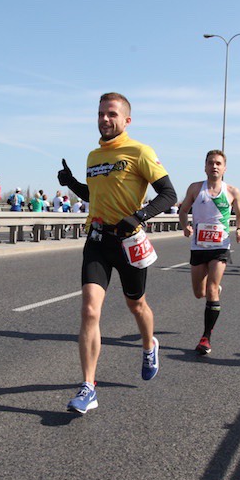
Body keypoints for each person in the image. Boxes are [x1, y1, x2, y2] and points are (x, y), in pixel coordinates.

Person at [57, 92, 177, 413]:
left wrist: (138, 217)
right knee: (89, 310)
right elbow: (94, 194)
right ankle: (88, 387)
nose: (105, 119)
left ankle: (149, 344)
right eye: (100, 114)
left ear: (126, 120)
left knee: (136, 305)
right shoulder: (94, 156)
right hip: (97, 240)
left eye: (111, 114)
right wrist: (71, 183)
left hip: (128, 242)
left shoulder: (140, 152)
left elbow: (169, 194)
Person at [177, 149, 240, 356]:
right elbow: (183, 210)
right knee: (199, 293)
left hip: (220, 246)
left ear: (224, 168)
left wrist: (239, 229)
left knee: (212, 289)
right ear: (205, 167)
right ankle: (213, 290)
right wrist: (185, 226)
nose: (214, 166)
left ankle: (205, 338)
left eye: (218, 163)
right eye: (210, 163)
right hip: (199, 246)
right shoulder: (196, 188)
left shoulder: (232, 191)